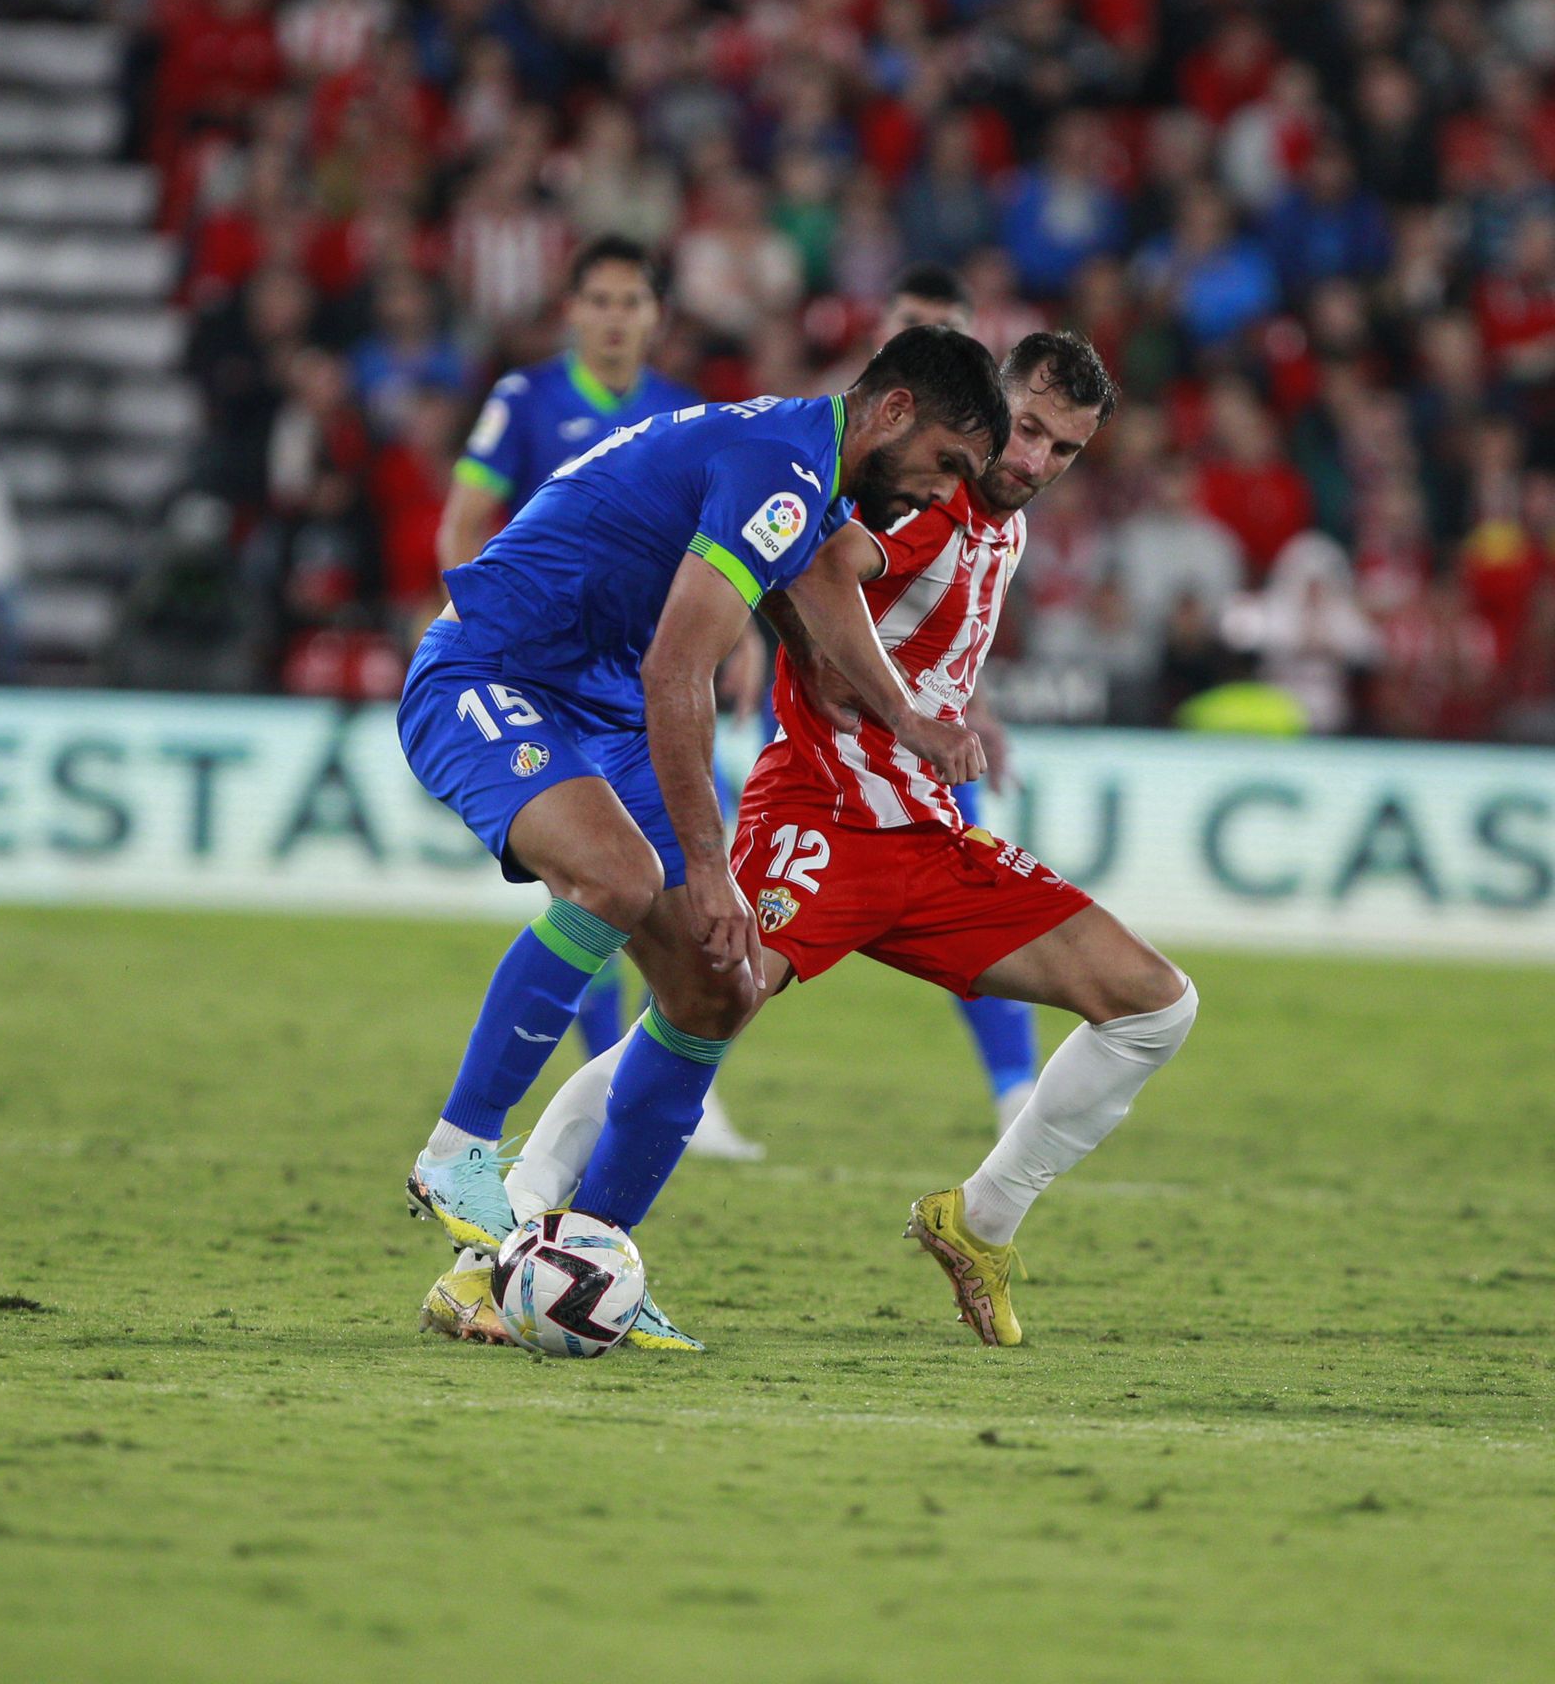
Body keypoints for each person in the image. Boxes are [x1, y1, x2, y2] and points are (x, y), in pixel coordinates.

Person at [452, 332, 1197, 1351]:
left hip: (928, 840)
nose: (1029, 463)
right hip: (818, 821)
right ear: (985, 412)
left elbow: (919, 623)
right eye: (1022, 432)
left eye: (1062, 450)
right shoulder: (928, 499)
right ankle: (490, 1264)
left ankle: (977, 1221)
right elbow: (821, 565)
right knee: (696, 1005)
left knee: (1155, 1004)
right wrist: (897, 709)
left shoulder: (994, 523)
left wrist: (949, 699)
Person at [401, 324, 1010, 1348]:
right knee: (615, 876)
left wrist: (905, 718)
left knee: (715, 985)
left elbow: (819, 585)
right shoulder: (780, 464)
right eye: (946, 462)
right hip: (493, 673)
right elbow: (677, 671)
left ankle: (579, 1266)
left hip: (594, 703)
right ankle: (458, 1148)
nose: (944, 492)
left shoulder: (806, 468)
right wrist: (716, 864)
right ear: (894, 410)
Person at [437, 233, 760, 1158]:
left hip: (634, 677)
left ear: (658, 317)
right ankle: (554, 1102)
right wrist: (485, 630)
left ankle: (643, 1076)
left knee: (665, 880)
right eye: (601, 301)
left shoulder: (682, 413)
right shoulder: (524, 399)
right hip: (536, 674)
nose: (616, 319)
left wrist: (741, 643)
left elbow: (717, 559)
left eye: (633, 303)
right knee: (613, 878)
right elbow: (464, 518)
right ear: (571, 310)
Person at [837, 265, 1045, 1131]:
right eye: (915, 325)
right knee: (746, 925)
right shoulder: (849, 441)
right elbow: (791, 569)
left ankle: (1015, 1088)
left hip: (929, 731)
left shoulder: (971, 467)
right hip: (835, 725)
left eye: (948, 328)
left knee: (975, 898)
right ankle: (667, 1073)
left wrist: (978, 710)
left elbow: (955, 611)